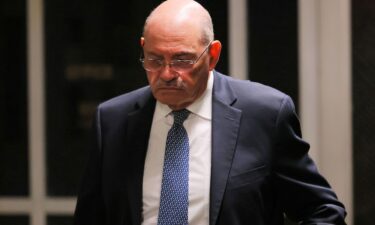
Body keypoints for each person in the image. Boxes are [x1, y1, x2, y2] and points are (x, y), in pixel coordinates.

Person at [74, 0, 347, 224]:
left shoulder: (265, 114)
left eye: (182, 59)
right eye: (155, 60)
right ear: (143, 48)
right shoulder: (112, 121)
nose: (167, 73)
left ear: (212, 56)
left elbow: (324, 212)